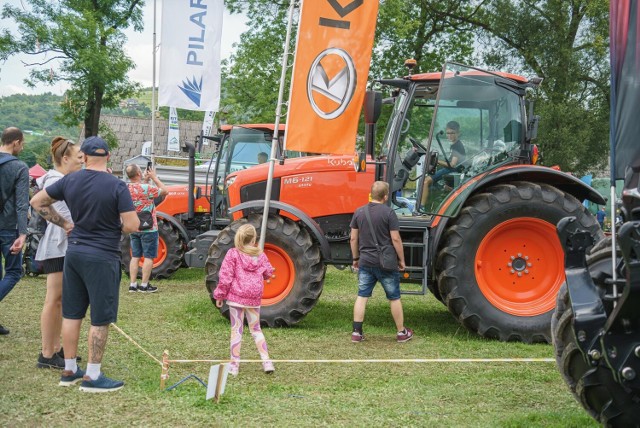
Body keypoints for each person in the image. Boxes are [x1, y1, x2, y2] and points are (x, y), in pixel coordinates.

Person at [30, 136, 139, 392]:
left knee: (72, 313)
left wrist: (65, 224)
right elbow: (133, 225)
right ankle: (92, 375)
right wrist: (114, 229)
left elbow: (37, 202)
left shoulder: (69, 179)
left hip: (74, 254)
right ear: (108, 157)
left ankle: (69, 369)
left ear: (85, 157)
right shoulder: (117, 185)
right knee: (100, 318)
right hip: (102, 256)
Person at [34, 137, 84, 368]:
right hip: (58, 246)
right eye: (78, 158)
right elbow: (66, 214)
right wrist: (66, 225)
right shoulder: (56, 179)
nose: (82, 162)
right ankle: (47, 353)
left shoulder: (63, 179)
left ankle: (56, 349)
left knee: (61, 300)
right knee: (54, 300)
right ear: (65, 158)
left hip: (62, 245)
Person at [350, 181, 414, 343]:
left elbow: (353, 238)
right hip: (386, 263)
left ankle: (357, 333)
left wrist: (356, 258)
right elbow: (395, 239)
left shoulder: (359, 212)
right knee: (394, 297)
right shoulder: (389, 213)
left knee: (362, 296)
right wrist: (401, 260)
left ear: (371, 194)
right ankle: (401, 332)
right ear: (385, 197)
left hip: (366, 262)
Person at [213, 224, 275, 376]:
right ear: (254, 239)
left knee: (236, 330)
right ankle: (267, 362)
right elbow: (268, 272)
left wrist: (220, 295)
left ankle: (234, 366)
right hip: (253, 299)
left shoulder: (233, 254)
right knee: (256, 329)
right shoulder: (260, 254)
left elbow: (226, 277)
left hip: (236, 298)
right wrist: (267, 274)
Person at [0, 127, 29, 336]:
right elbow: (21, 205)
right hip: (7, 228)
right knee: (13, 272)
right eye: (23, 143)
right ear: (16, 142)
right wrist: (23, 233)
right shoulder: (19, 167)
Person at [125, 163, 168, 293]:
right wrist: (154, 177)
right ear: (138, 173)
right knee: (148, 257)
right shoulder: (147, 188)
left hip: (134, 227)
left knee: (135, 256)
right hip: (149, 228)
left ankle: (132, 285)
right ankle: (144, 285)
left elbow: (138, 188)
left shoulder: (126, 188)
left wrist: (145, 179)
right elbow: (165, 191)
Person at [420, 121, 466, 207]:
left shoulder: (457, 146)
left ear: (458, 133)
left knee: (426, 181)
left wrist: (437, 161)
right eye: (448, 133)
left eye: (452, 133)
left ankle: (421, 207)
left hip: (453, 170)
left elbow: (452, 164)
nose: (450, 135)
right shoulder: (454, 145)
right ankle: (432, 203)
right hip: (450, 169)